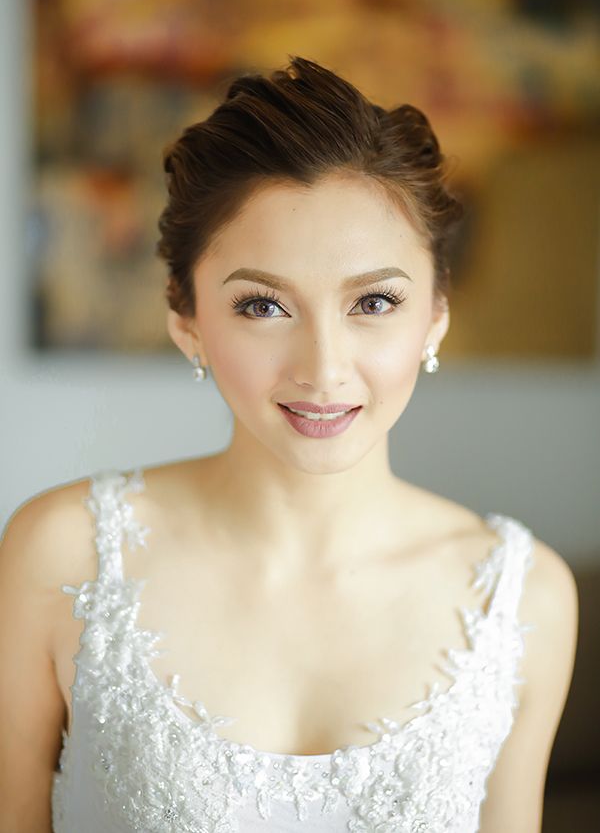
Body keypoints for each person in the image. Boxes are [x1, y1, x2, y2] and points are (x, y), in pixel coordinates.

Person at [0, 56, 577, 833]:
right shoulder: (59, 554)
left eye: (373, 301)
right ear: (187, 320)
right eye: (264, 305)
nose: (324, 369)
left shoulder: (523, 596)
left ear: (435, 316)